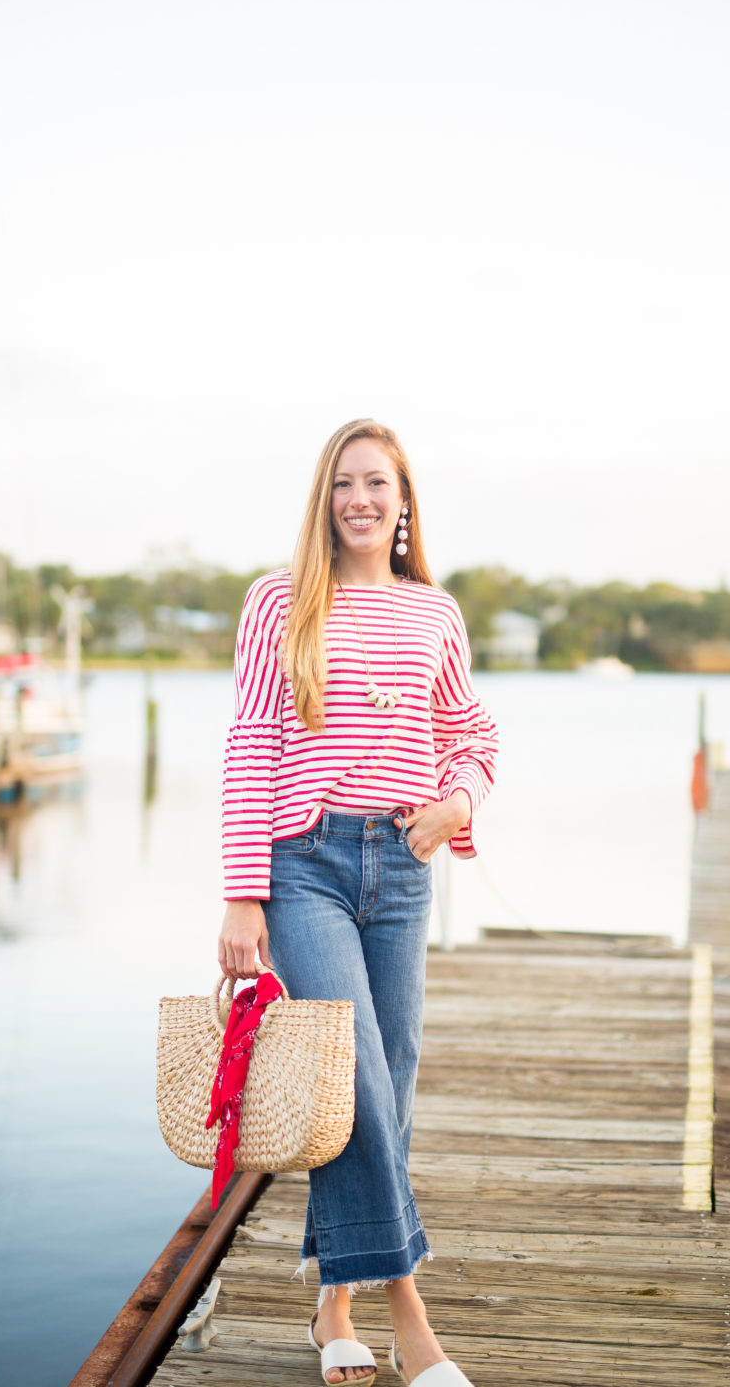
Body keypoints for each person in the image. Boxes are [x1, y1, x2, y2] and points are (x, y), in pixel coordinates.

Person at [218, 418, 499, 1387]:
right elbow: (252, 743)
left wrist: (458, 798)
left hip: (404, 865)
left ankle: (331, 1298)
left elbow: (469, 728)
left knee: (393, 1071)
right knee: (352, 1076)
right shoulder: (279, 600)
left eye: (377, 481)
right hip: (307, 862)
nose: (360, 499)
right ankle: (408, 1308)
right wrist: (241, 895)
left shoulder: (434, 612)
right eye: (343, 482)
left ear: (404, 496)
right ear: (322, 498)